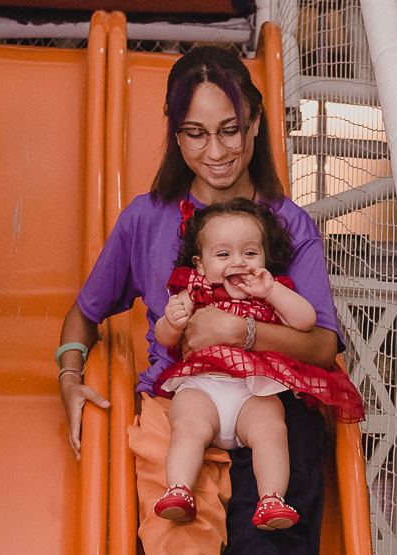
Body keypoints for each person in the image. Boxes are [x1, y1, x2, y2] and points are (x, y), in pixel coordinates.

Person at [56, 45, 348, 555]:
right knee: (176, 539)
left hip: (264, 397)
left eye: (229, 129)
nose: (215, 150)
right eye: (195, 132)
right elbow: (86, 311)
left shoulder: (286, 224)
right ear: (174, 134)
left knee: (272, 525)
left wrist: (242, 331)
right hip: (181, 401)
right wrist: (69, 374)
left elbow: (322, 343)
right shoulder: (147, 220)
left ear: (254, 125)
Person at [151, 198, 363, 532]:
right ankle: (179, 490)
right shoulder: (193, 292)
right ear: (201, 265)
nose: (238, 262)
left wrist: (272, 290)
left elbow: (306, 321)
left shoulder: (269, 294)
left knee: (272, 430)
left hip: (253, 391)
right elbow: (165, 337)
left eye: (250, 253)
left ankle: (271, 499)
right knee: (188, 427)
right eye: (223, 255)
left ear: (265, 257)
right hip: (203, 386)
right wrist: (172, 321)